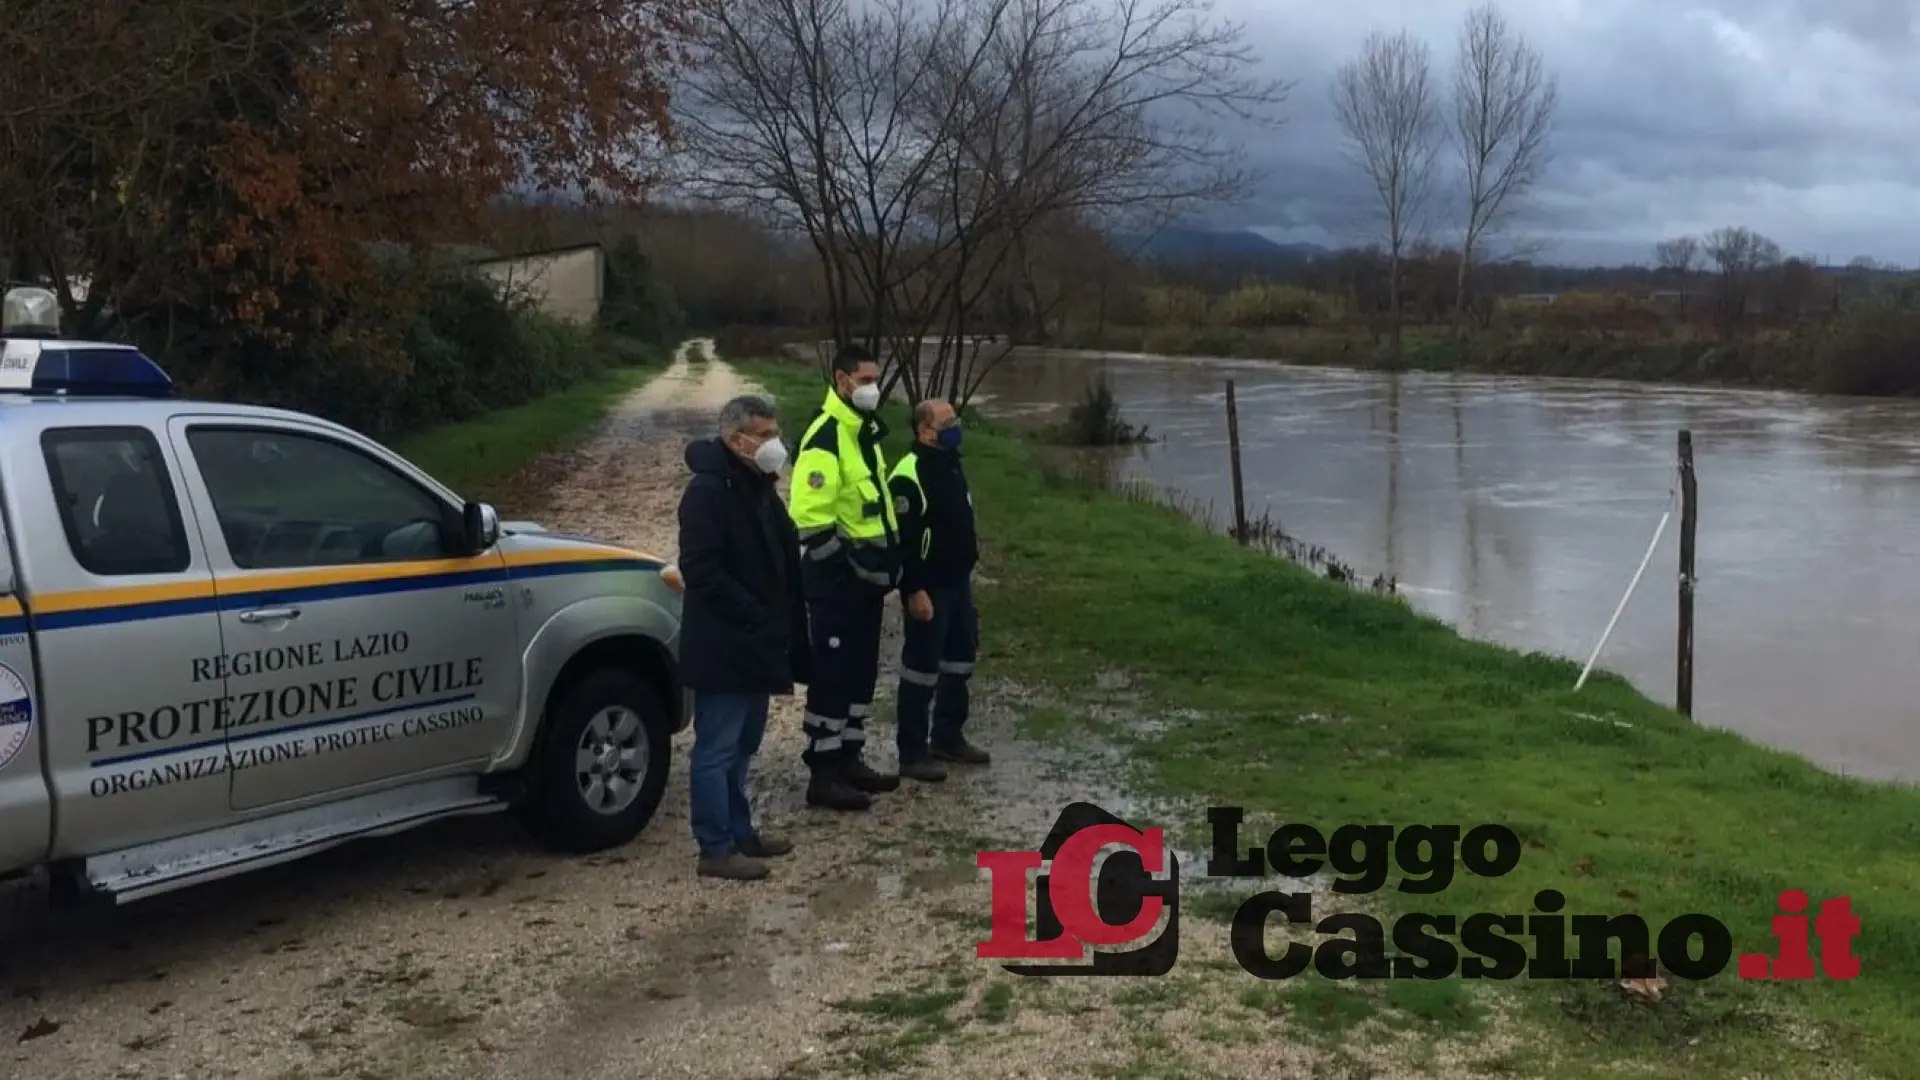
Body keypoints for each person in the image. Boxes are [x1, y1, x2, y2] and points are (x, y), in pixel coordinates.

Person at [676, 395, 809, 881]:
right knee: (716, 747)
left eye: (776, 433)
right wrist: (753, 613)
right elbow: (701, 570)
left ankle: (739, 830)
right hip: (725, 642)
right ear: (738, 441)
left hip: (757, 641)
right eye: (766, 436)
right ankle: (715, 846)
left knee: (744, 744)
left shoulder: (757, 485)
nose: (776, 444)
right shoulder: (708, 492)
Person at [788, 344, 903, 811]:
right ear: (842, 380)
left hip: (866, 583)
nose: (873, 387)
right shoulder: (827, 436)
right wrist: (849, 570)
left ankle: (850, 756)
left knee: (859, 672)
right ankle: (824, 771)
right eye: (866, 379)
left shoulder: (862, 432)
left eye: (875, 378)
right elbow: (811, 521)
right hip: (837, 584)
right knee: (833, 676)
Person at [888, 398, 991, 781]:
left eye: (955, 421)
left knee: (960, 660)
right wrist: (914, 589)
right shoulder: (909, 473)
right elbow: (903, 541)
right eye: (947, 424)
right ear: (924, 430)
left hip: (957, 581)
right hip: (928, 587)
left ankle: (948, 737)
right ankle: (912, 753)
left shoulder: (950, 464)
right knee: (921, 669)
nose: (955, 428)